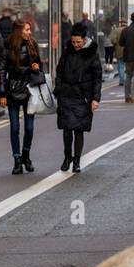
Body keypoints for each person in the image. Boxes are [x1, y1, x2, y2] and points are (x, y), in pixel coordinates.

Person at [55, 22, 101, 173]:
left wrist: (95, 98)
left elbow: (97, 78)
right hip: (67, 94)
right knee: (67, 129)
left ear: (84, 40)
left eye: (78, 42)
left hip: (83, 96)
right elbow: (59, 72)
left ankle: (76, 161)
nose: (76, 45)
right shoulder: (67, 51)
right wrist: (59, 88)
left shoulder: (92, 54)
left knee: (79, 130)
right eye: (73, 42)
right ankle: (66, 157)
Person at [0, 22, 43, 174]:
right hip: (13, 89)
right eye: (27, 29)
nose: (30, 32)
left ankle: (26, 156)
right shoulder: (8, 46)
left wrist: (37, 67)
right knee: (15, 128)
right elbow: (2, 70)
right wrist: (2, 93)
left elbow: (39, 66)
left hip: (30, 89)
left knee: (29, 128)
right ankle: (17, 160)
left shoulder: (32, 44)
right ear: (19, 31)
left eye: (30, 29)